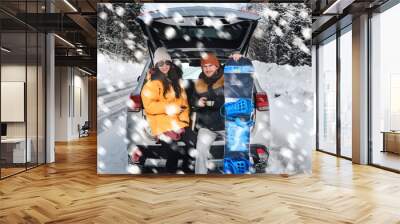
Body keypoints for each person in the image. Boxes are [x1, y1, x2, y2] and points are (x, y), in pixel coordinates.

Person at [141, 47, 196, 173]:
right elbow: (150, 106)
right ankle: (170, 175)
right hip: (162, 124)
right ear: (156, 65)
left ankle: (186, 170)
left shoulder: (175, 81)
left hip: (177, 122)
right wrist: (170, 108)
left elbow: (184, 104)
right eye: (160, 63)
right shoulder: (152, 84)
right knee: (174, 152)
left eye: (167, 63)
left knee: (192, 142)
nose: (164, 66)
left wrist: (183, 121)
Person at [192, 53, 225, 174]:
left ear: (217, 66)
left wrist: (210, 103)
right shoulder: (199, 83)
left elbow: (230, 101)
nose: (207, 69)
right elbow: (192, 100)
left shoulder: (227, 80)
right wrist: (197, 102)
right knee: (201, 152)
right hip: (206, 127)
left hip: (226, 125)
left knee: (235, 151)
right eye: (205, 66)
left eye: (211, 65)